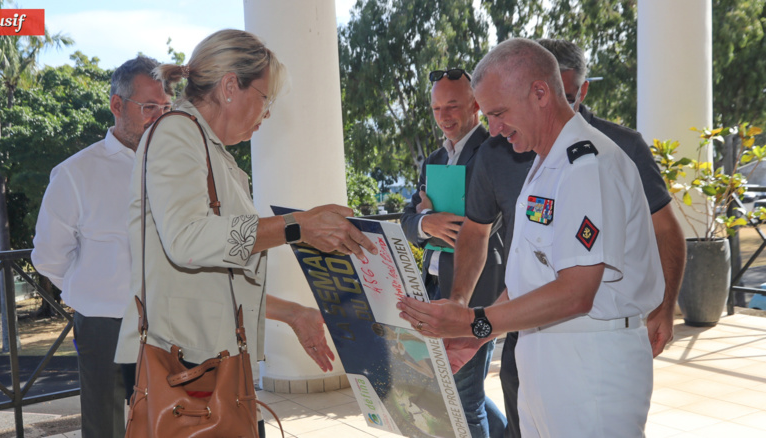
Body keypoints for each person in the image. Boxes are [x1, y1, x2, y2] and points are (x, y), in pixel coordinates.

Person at [112, 29, 377, 435]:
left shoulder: (214, 152)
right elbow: (187, 241)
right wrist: (298, 226)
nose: (266, 113)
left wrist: (292, 313)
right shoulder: (176, 133)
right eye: (265, 98)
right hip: (185, 366)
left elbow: (215, 274)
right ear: (231, 86)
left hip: (209, 361)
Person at [397, 38, 665, 437]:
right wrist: (472, 333)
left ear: (540, 93)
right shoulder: (545, 163)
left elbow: (576, 292)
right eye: (488, 116)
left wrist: (477, 322)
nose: (495, 129)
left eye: (500, 113)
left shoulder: (586, 165)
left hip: (590, 365)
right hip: (542, 359)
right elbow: (532, 279)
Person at [32, 55, 173, 438]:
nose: (159, 117)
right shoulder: (75, 174)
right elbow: (48, 256)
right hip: (104, 324)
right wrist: (94, 290)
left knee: (171, 420)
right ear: (116, 105)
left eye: (166, 108)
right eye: (148, 107)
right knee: (105, 427)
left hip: (170, 319)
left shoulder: (175, 166)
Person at [400, 68, 506, 438]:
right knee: (452, 387)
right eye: (436, 108)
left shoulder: (495, 152)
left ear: (476, 104)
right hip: (431, 286)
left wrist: (443, 221)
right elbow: (407, 219)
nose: (444, 116)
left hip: (475, 290)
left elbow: (487, 226)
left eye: (452, 106)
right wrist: (426, 223)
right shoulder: (434, 159)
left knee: (463, 397)